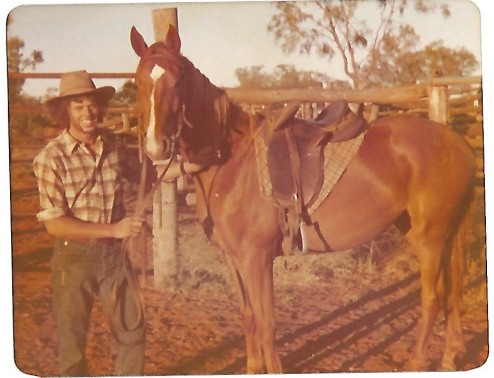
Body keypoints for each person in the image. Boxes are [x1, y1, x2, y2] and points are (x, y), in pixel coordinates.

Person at [33, 70, 202, 376]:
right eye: (78, 105)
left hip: (115, 257)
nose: (88, 112)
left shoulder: (113, 144)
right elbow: (55, 225)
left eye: (92, 104)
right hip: (73, 258)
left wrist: (192, 165)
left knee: (132, 331)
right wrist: (114, 229)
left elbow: (151, 174)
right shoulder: (50, 158)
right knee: (72, 342)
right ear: (66, 111)